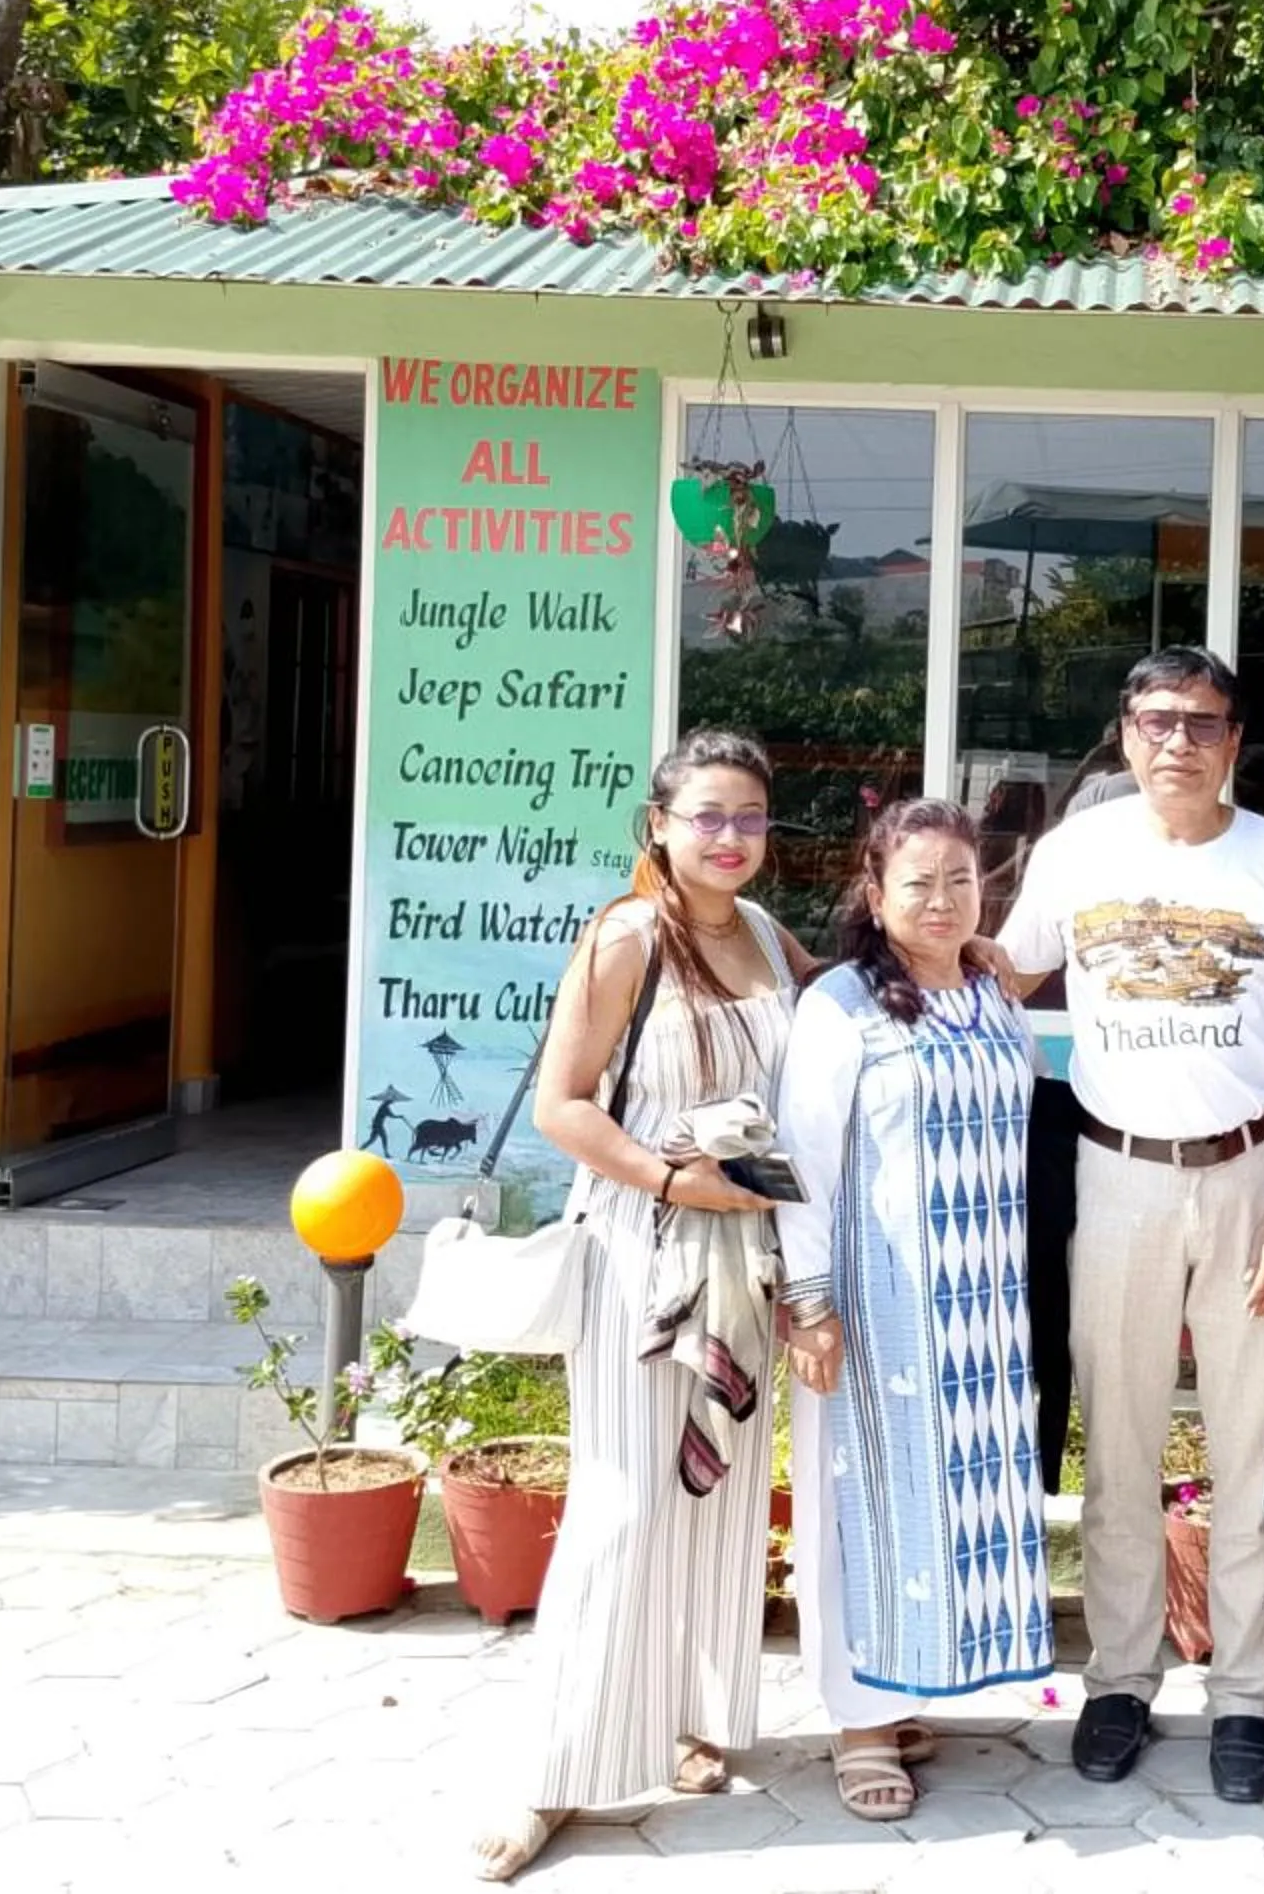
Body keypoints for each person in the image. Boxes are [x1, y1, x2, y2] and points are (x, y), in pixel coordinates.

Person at [989, 646, 1264, 1805]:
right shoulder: (1076, 852)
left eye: (1200, 722)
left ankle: (1246, 1695)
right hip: (1117, 1174)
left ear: (1235, 742)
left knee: (1246, 1444)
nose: (1176, 741)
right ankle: (1121, 1679)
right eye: (1154, 720)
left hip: (1253, 1171)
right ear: (1125, 734)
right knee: (1122, 1438)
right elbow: (997, 973)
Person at [471, 730, 813, 1884]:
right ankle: (552, 1773)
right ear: (658, 822)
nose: (730, 837)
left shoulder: (767, 935)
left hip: (748, 1254)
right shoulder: (627, 938)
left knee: (719, 1498)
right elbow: (563, 1107)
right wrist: (674, 1177)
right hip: (644, 1248)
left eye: (750, 818)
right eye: (707, 815)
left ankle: (701, 1720)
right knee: (623, 1503)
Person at [773, 799, 1051, 1821]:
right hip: (873, 1300)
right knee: (862, 1507)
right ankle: (857, 1723)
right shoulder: (842, 1006)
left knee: (946, 1503)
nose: (941, 901)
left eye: (960, 881)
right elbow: (799, 1163)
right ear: (875, 894)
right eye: (918, 883)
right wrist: (809, 1303)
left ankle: (909, 1685)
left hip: (980, 1304)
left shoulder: (993, 997)